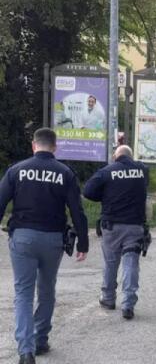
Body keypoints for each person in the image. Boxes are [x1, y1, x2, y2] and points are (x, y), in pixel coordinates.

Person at [0, 128, 88, 364]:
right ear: (55, 147)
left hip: (23, 238)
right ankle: (40, 340)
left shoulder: (16, 170)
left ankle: (26, 351)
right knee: (47, 289)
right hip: (53, 240)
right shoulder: (65, 173)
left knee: (23, 293)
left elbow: (0, 202)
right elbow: (77, 210)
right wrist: (83, 241)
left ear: (33, 145)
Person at [83, 145, 149, 320]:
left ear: (115, 156)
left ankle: (108, 298)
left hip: (111, 226)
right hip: (134, 226)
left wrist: (105, 195)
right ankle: (128, 304)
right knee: (131, 263)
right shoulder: (142, 170)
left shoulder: (107, 171)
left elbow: (88, 191)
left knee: (111, 262)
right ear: (131, 156)